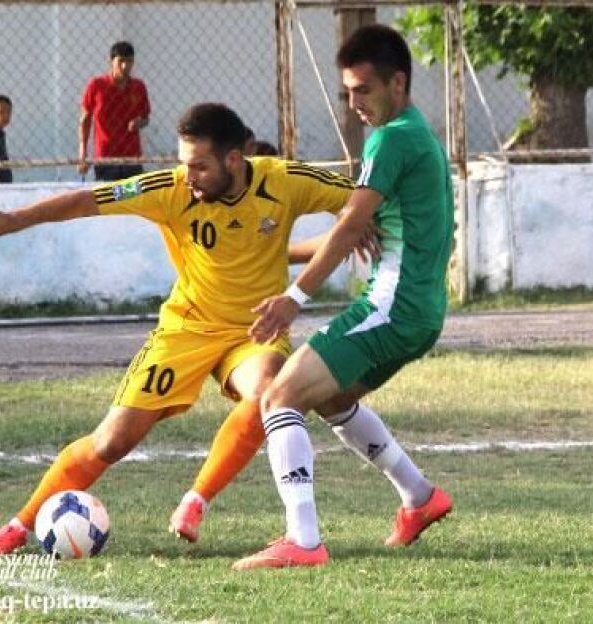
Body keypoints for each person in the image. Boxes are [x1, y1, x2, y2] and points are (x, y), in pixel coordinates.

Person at [0, 102, 356, 556]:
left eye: (199, 166)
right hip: (186, 330)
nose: (188, 176)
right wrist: (13, 220)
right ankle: (18, 525)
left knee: (269, 393)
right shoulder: (170, 188)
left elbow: (361, 200)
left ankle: (195, 501)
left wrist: (355, 229)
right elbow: (87, 201)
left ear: (234, 160)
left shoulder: (284, 180)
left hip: (254, 332)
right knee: (112, 442)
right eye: (184, 163)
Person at [231, 24, 455, 570]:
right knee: (330, 398)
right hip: (419, 312)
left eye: (364, 90)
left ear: (397, 83)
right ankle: (420, 498)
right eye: (347, 92)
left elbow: (352, 224)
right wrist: (278, 254)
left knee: (279, 396)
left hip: (391, 307)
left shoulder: (391, 138)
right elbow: (354, 229)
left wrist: (292, 299)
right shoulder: (416, 135)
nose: (354, 103)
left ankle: (303, 540)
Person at [78, 41, 151, 181]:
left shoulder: (138, 87)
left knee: (132, 193)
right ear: (111, 61)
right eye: (121, 61)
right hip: (106, 158)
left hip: (132, 158)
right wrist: (83, 152)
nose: (125, 66)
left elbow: (146, 118)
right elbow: (85, 119)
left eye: (129, 61)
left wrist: (139, 123)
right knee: (108, 193)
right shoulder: (97, 86)